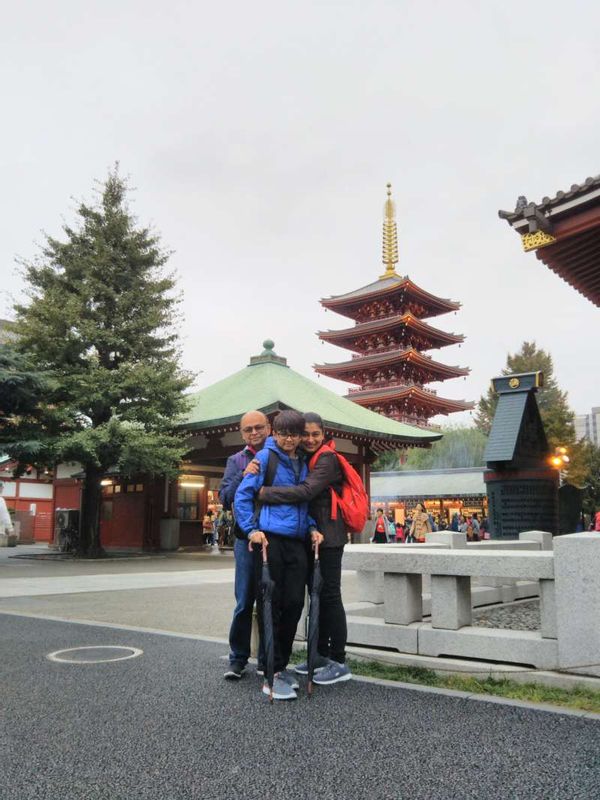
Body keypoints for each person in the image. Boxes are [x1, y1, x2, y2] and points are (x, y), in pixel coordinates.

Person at [258, 412, 352, 686]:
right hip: (309, 536)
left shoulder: (326, 458)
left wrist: (264, 493)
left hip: (330, 536)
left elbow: (306, 491)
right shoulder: (300, 456)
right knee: (316, 595)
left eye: (315, 434)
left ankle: (338, 659)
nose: (309, 439)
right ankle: (320, 654)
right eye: (305, 434)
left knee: (330, 595)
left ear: (324, 434)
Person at [235, 410, 322, 701]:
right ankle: (270, 670)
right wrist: (250, 530)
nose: (289, 439)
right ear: (275, 433)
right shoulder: (265, 459)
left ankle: (281, 665)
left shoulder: (302, 462)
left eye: (294, 434)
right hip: (270, 540)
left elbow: (304, 503)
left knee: (296, 603)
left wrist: (312, 527)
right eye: (283, 433)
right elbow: (242, 496)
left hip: (297, 541)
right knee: (271, 605)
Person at [219, 410, 271, 680]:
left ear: (269, 427)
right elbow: (225, 498)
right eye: (248, 429)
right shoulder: (236, 460)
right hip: (245, 539)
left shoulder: (280, 457)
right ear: (242, 433)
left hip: (274, 539)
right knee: (243, 601)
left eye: (259, 427)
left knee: (268, 601)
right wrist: (243, 474)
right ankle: (238, 658)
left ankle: (266, 659)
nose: (254, 432)